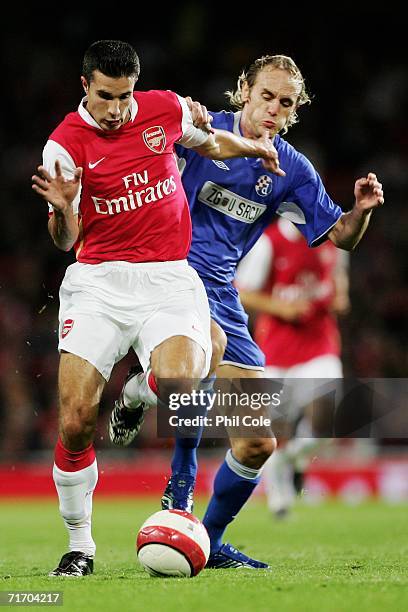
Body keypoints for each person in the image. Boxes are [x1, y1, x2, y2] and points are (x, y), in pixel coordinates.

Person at [109, 54, 384, 569]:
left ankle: (205, 539)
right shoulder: (200, 127)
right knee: (202, 357)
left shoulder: (290, 169)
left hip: (222, 291)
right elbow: (133, 140)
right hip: (168, 275)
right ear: (244, 90)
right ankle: (179, 492)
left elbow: (340, 237)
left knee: (258, 443)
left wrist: (360, 212)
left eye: (286, 103)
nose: (274, 109)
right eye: (266, 96)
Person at [31, 40, 285, 577]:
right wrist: (60, 211)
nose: (117, 108)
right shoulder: (63, 146)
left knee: (181, 385)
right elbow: (65, 238)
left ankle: (136, 392)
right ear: (85, 87)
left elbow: (208, 143)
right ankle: (81, 546)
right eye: (106, 96)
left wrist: (249, 148)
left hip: (168, 276)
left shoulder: (163, 109)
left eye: (125, 96)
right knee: (76, 421)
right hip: (98, 281)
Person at [236, 216, 350, 516]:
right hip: (275, 351)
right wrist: (281, 307)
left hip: (319, 344)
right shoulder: (269, 242)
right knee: (274, 432)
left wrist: (341, 294)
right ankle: (279, 494)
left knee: (326, 421)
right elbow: (242, 293)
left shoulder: (333, 238)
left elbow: (338, 277)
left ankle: (293, 460)